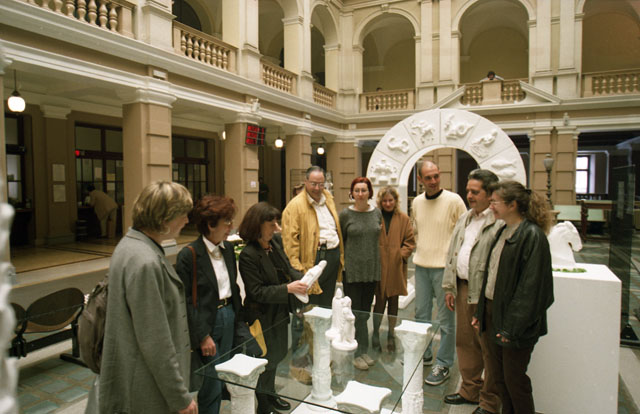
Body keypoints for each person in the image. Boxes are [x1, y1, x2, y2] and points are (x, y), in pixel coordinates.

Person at [99, 181, 197, 414]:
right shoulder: (145, 261)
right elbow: (155, 340)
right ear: (164, 218)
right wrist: (180, 398)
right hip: (148, 389)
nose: (186, 221)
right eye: (182, 215)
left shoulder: (129, 245)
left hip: (136, 378)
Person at [473, 181, 554, 414]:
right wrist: (481, 312)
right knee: (499, 378)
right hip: (494, 314)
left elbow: (533, 290)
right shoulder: (502, 230)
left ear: (512, 205)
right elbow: (490, 275)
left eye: (495, 202)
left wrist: (511, 328)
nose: (491, 207)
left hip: (514, 323)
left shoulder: (532, 236)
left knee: (514, 380)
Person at [441, 170, 503, 414]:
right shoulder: (466, 218)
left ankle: (489, 402)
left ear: (490, 194)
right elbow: (453, 251)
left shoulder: (498, 222)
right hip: (463, 288)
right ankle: (469, 390)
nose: (469, 195)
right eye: (468, 191)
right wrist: (450, 286)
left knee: (489, 348)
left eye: (475, 192)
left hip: (486, 294)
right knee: (465, 342)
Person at [238, 202, 308, 414]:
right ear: (258, 225)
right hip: (261, 316)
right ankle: (264, 404)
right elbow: (256, 292)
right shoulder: (248, 254)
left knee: (276, 356)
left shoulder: (274, 243)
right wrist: (287, 288)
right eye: (272, 224)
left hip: (279, 311)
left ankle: (270, 394)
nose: (277, 228)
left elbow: (287, 268)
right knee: (264, 361)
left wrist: (304, 279)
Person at [175, 195, 242, 414]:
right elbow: (185, 301)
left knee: (222, 374)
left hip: (229, 315)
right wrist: (202, 335)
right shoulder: (189, 255)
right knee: (211, 381)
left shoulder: (228, 249)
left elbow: (233, 286)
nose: (231, 227)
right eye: (227, 222)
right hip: (208, 323)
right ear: (211, 225)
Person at [411, 161, 466, 386]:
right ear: (420, 180)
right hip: (421, 266)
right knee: (421, 314)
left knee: (446, 320)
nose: (433, 181)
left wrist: (454, 265)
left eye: (436, 176)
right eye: (428, 177)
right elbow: (417, 230)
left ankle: (443, 363)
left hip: (445, 269)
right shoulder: (416, 202)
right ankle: (424, 354)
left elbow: (464, 233)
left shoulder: (454, 201)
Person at [281, 166, 344, 308]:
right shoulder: (295, 206)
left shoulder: (328, 199)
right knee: (311, 304)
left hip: (333, 256)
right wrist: (298, 270)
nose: (317, 188)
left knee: (327, 302)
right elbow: (290, 243)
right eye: (313, 184)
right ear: (306, 182)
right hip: (314, 258)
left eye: (321, 184)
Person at [339, 177, 382, 370]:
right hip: (353, 272)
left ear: (369, 192)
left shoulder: (376, 213)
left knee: (365, 314)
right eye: (357, 190)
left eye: (364, 190)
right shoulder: (345, 215)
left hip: (371, 270)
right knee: (354, 314)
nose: (360, 194)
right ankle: (354, 353)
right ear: (352, 193)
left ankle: (363, 350)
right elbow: (342, 242)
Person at [372, 186, 415, 353]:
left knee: (393, 302)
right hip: (379, 267)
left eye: (390, 200)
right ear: (380, 202)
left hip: (396, 268)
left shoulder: (403, 219)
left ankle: (391, 334)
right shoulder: (375, 217)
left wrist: (399, 255)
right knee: (379, 301)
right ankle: (375, 333)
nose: (388, 203)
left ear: (396, 201)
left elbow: (410, 242)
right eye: (384, 201)